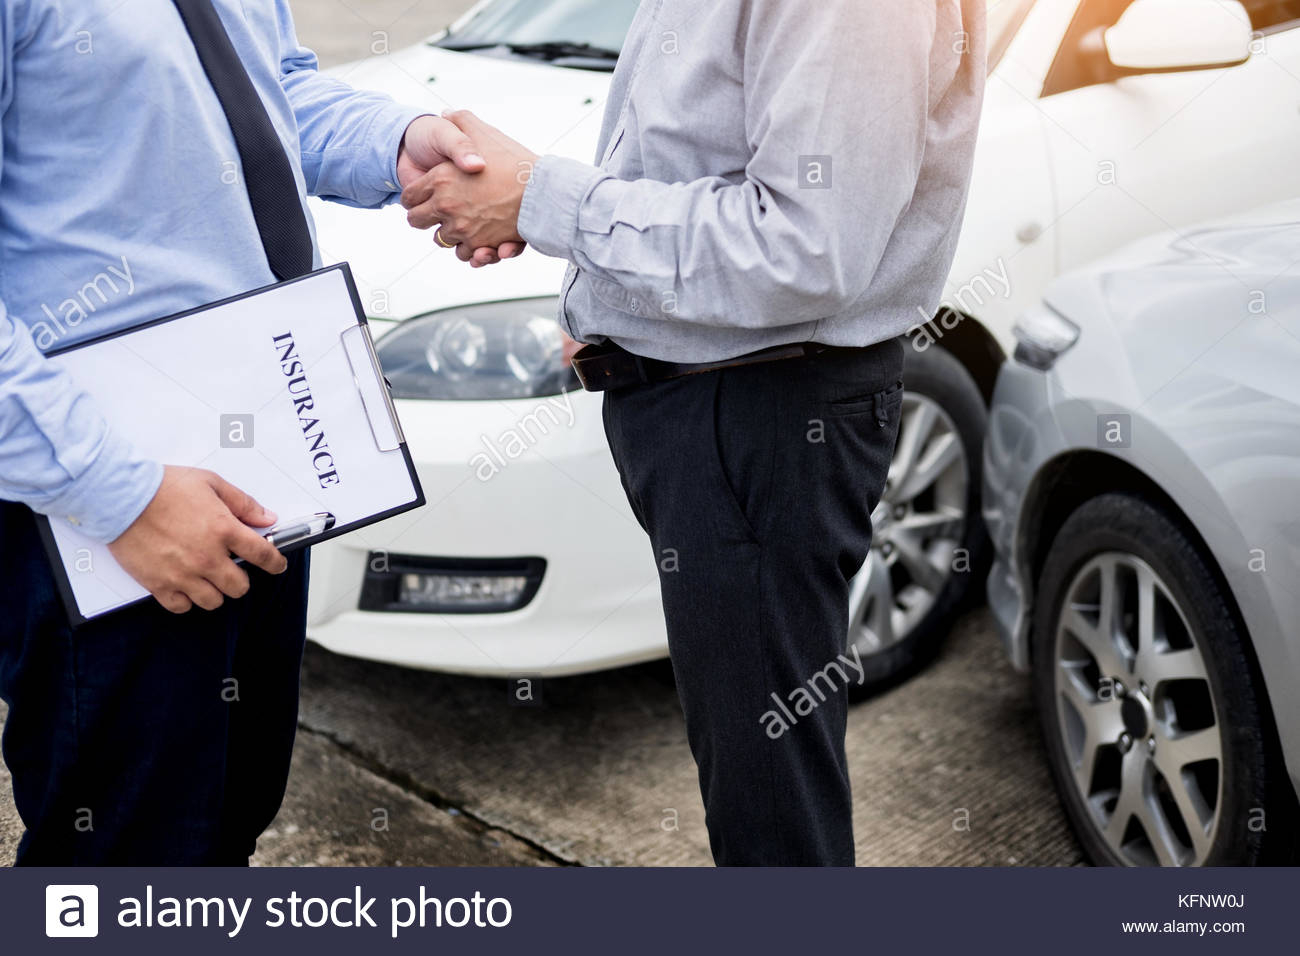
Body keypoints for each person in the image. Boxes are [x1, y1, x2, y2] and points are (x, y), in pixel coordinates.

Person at [402, 0, 987, 865]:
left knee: (769, 816)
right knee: (755, 778)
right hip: (718, 404)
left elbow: (804, 249)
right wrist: (608, 299)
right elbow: (695, 152)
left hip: (760, 412)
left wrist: (542, 199)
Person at [0, 0, 512, 865]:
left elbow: (270, 93)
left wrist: (402, 139)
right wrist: (117, 494)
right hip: (110, 499)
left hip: (267, 449)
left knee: (229, 819)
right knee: (126, 856)